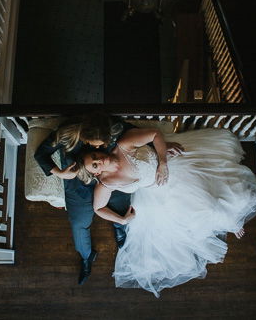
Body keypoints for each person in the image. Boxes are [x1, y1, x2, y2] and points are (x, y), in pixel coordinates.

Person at [78, 126, 256, 297]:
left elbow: (155, 134)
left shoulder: (123, 145)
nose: (99, 161)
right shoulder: (105, 183)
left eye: (95, 156)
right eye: (95, 165)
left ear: (99, 150)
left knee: (214, 192)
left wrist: (163, 162)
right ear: (95, 173)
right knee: (204, 212)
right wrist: (122, 220)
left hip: (173, 166)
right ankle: (231, 217)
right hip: (157, 192)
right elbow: (98, 208)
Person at [33, 111, 183, 285]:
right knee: (79, 223)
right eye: (95, 146)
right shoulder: (66, 134)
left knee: (121, 206)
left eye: (103, 143)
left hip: (111, 174)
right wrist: (60, 173)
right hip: (78, 180)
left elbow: (135, 138)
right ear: (83, 136)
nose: (98, 148)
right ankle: (86, 256)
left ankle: (119, 227)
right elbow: (41, 154)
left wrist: (160, 149)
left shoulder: (114, 127)